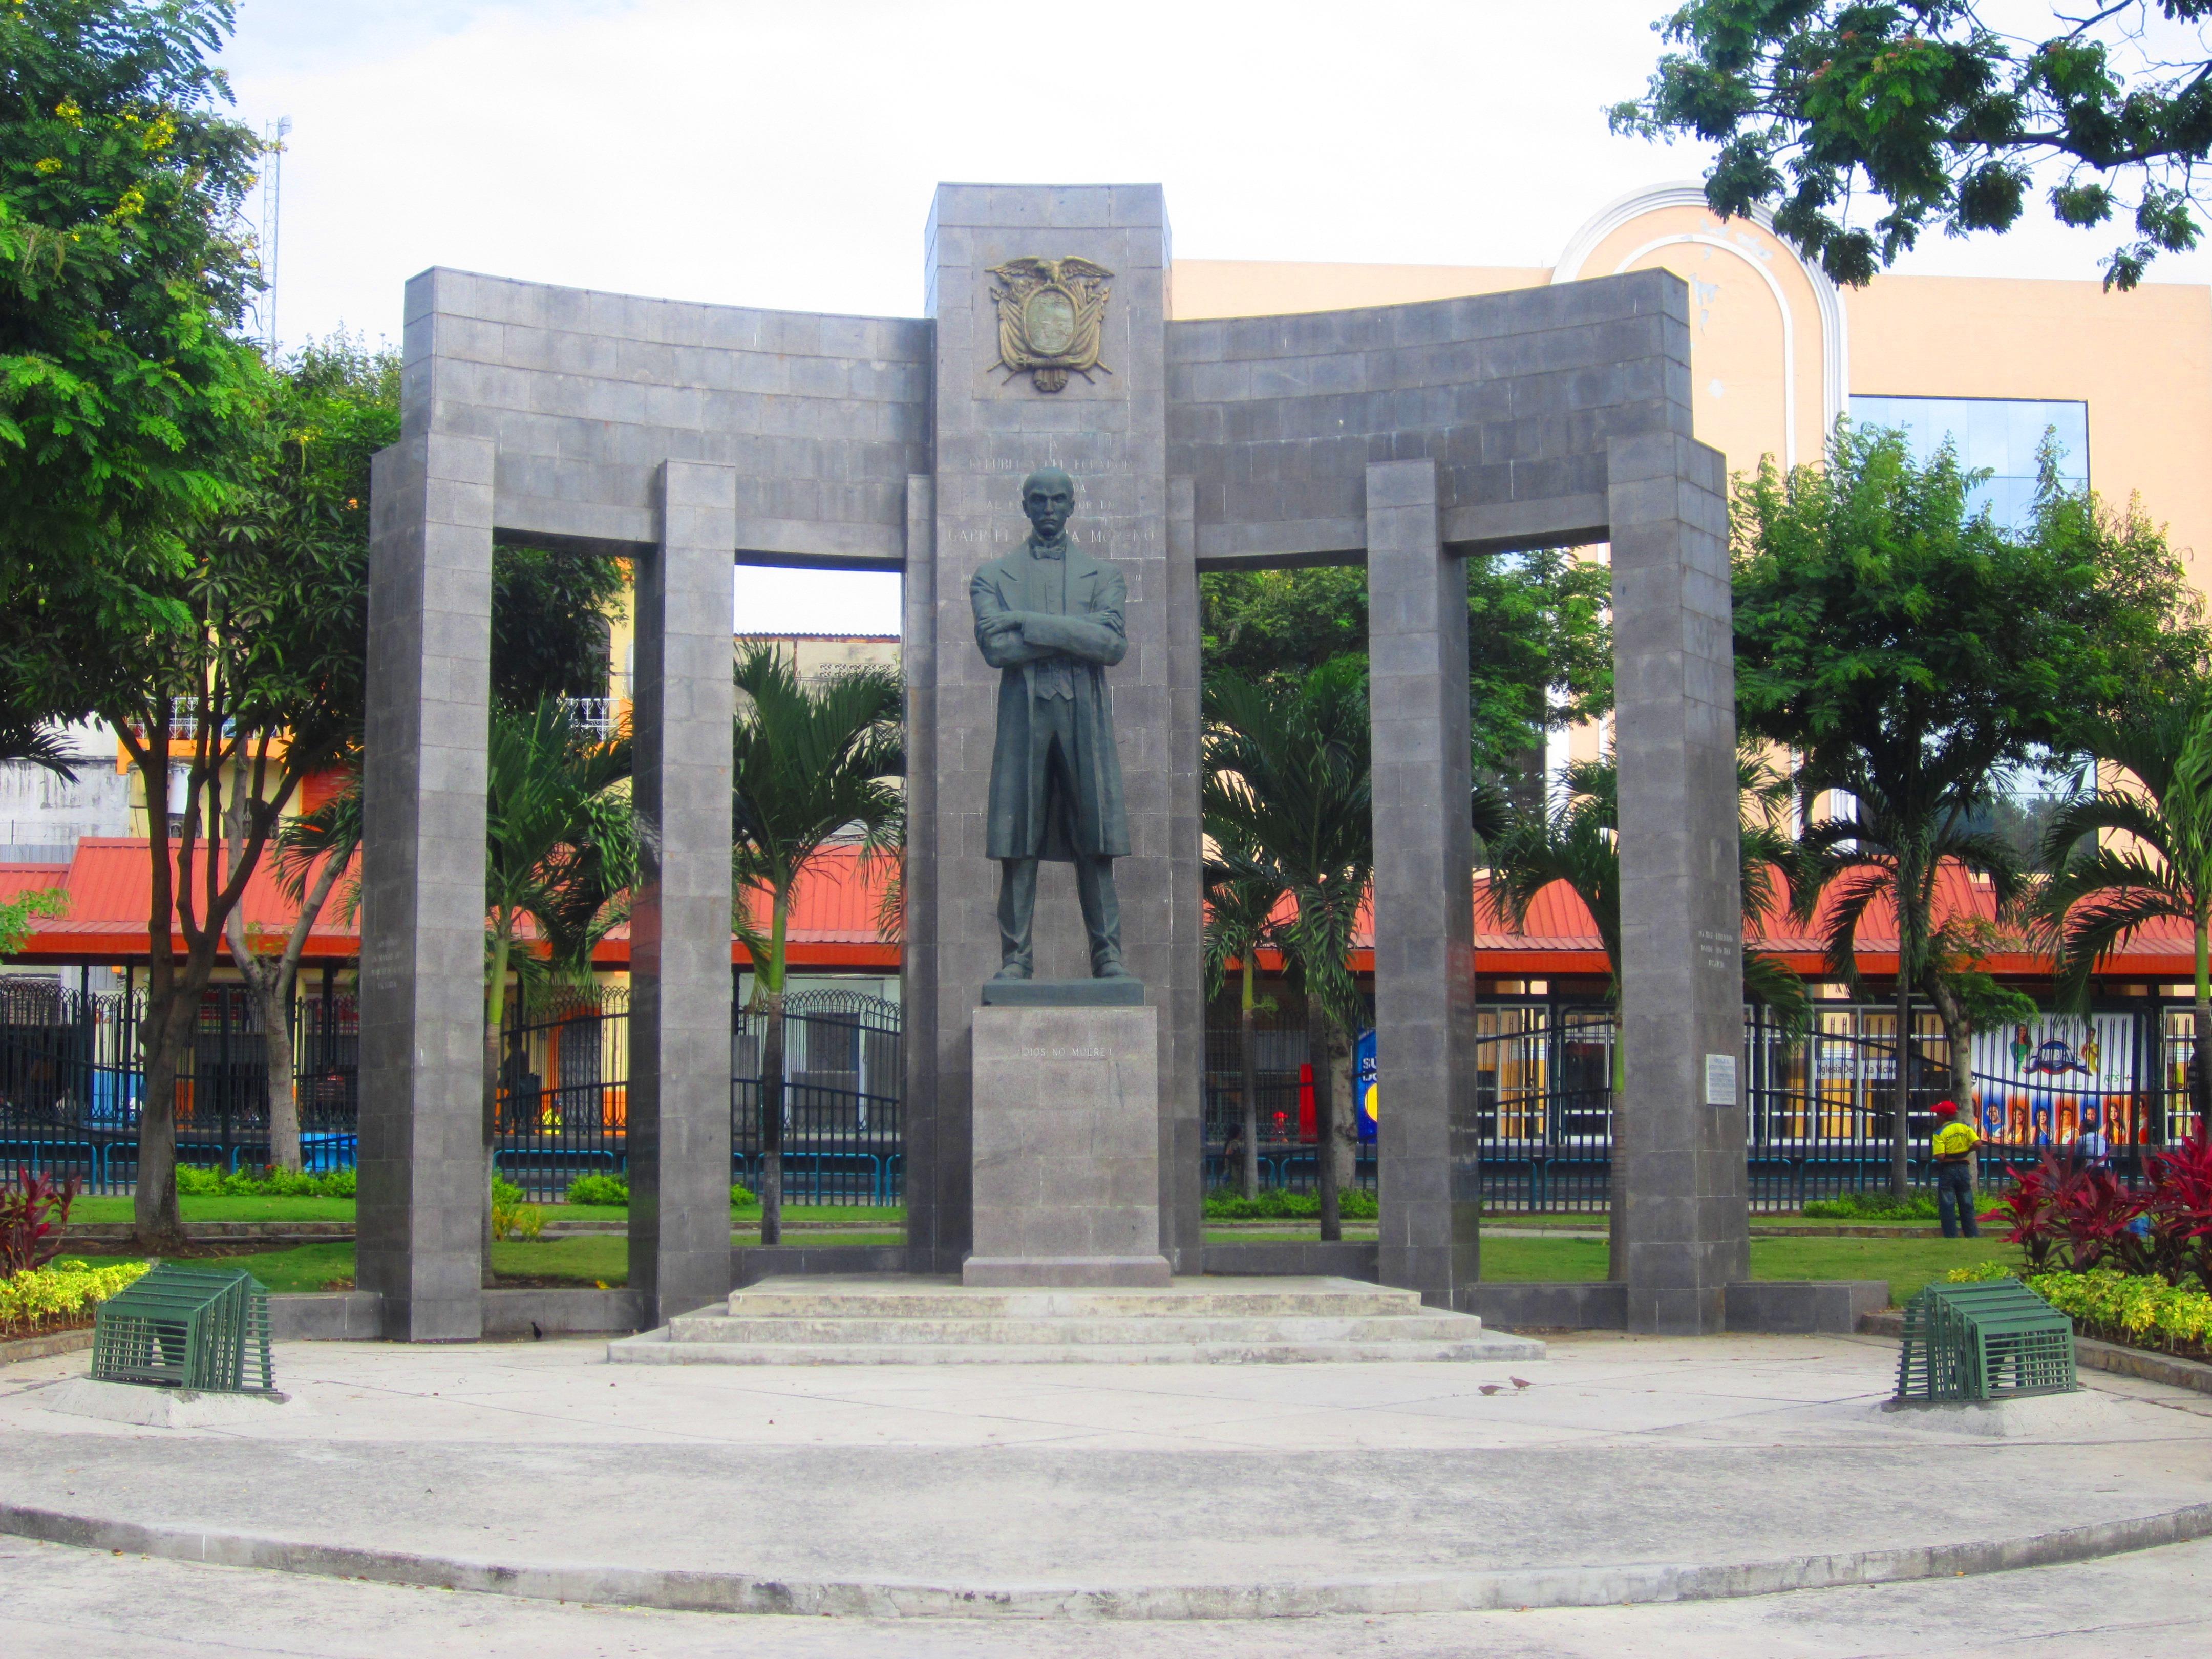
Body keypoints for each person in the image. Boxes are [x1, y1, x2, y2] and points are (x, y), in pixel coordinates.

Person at [1930, 1098, 1980, 1239]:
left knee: (1947, 1204)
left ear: (1944, 1116)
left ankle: (1951, 1235)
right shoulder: (1965, 1128)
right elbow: (1978, 1143)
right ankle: (1972, 1234)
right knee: (1967, 1203)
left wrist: (1949, 1157)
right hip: (1964, 1168)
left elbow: (1940, 1156)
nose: (1936, 1117)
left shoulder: (1940, 1132)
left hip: (1948, 1170)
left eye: (1938, 1114)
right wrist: (1965, 1152)